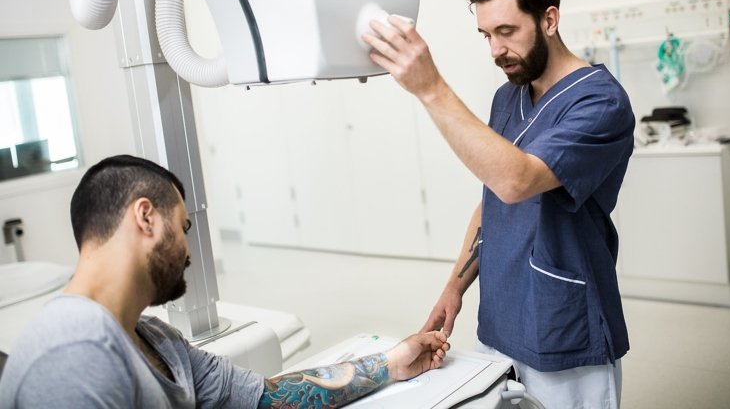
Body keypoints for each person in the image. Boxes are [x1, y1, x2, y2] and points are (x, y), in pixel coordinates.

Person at [362, 0, 634, 408]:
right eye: (487, 35)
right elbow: (491, 199)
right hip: (501, 316)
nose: (495, 50)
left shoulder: (600, 101)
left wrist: (430, 88)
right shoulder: (507, 97)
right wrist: (455, 286)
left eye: (507, 31)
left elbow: (516, 181)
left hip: (563, 326)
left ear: (549, 19)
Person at [0, 155, 449, 408]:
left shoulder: (158, 341)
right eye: (183, 228)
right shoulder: (73, 353)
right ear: (145, 217)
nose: (190, 253)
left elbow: (267, 398)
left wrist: (390, 363)